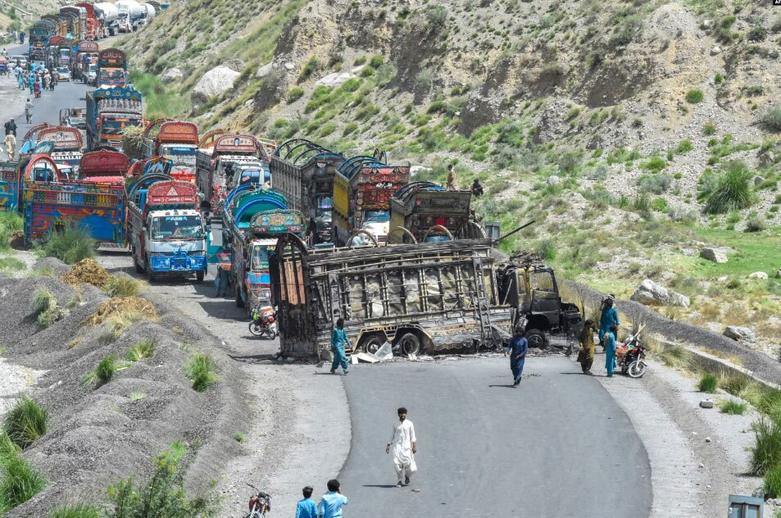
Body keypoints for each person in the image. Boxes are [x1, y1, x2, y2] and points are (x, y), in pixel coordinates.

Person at [386, 407, 417, 487]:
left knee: (411, 467)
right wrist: (388, 445)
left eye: (404, 413)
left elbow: (413, 436)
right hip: (397, 447)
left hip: (407, 448)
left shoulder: (410, 423)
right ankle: (399, 480)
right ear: (398, 414)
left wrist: (414, 447)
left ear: (406, 414)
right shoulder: (395, 424)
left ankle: (407, 476)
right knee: (396, 464)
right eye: (401, 413)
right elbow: (391, 435)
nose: (403, 415)